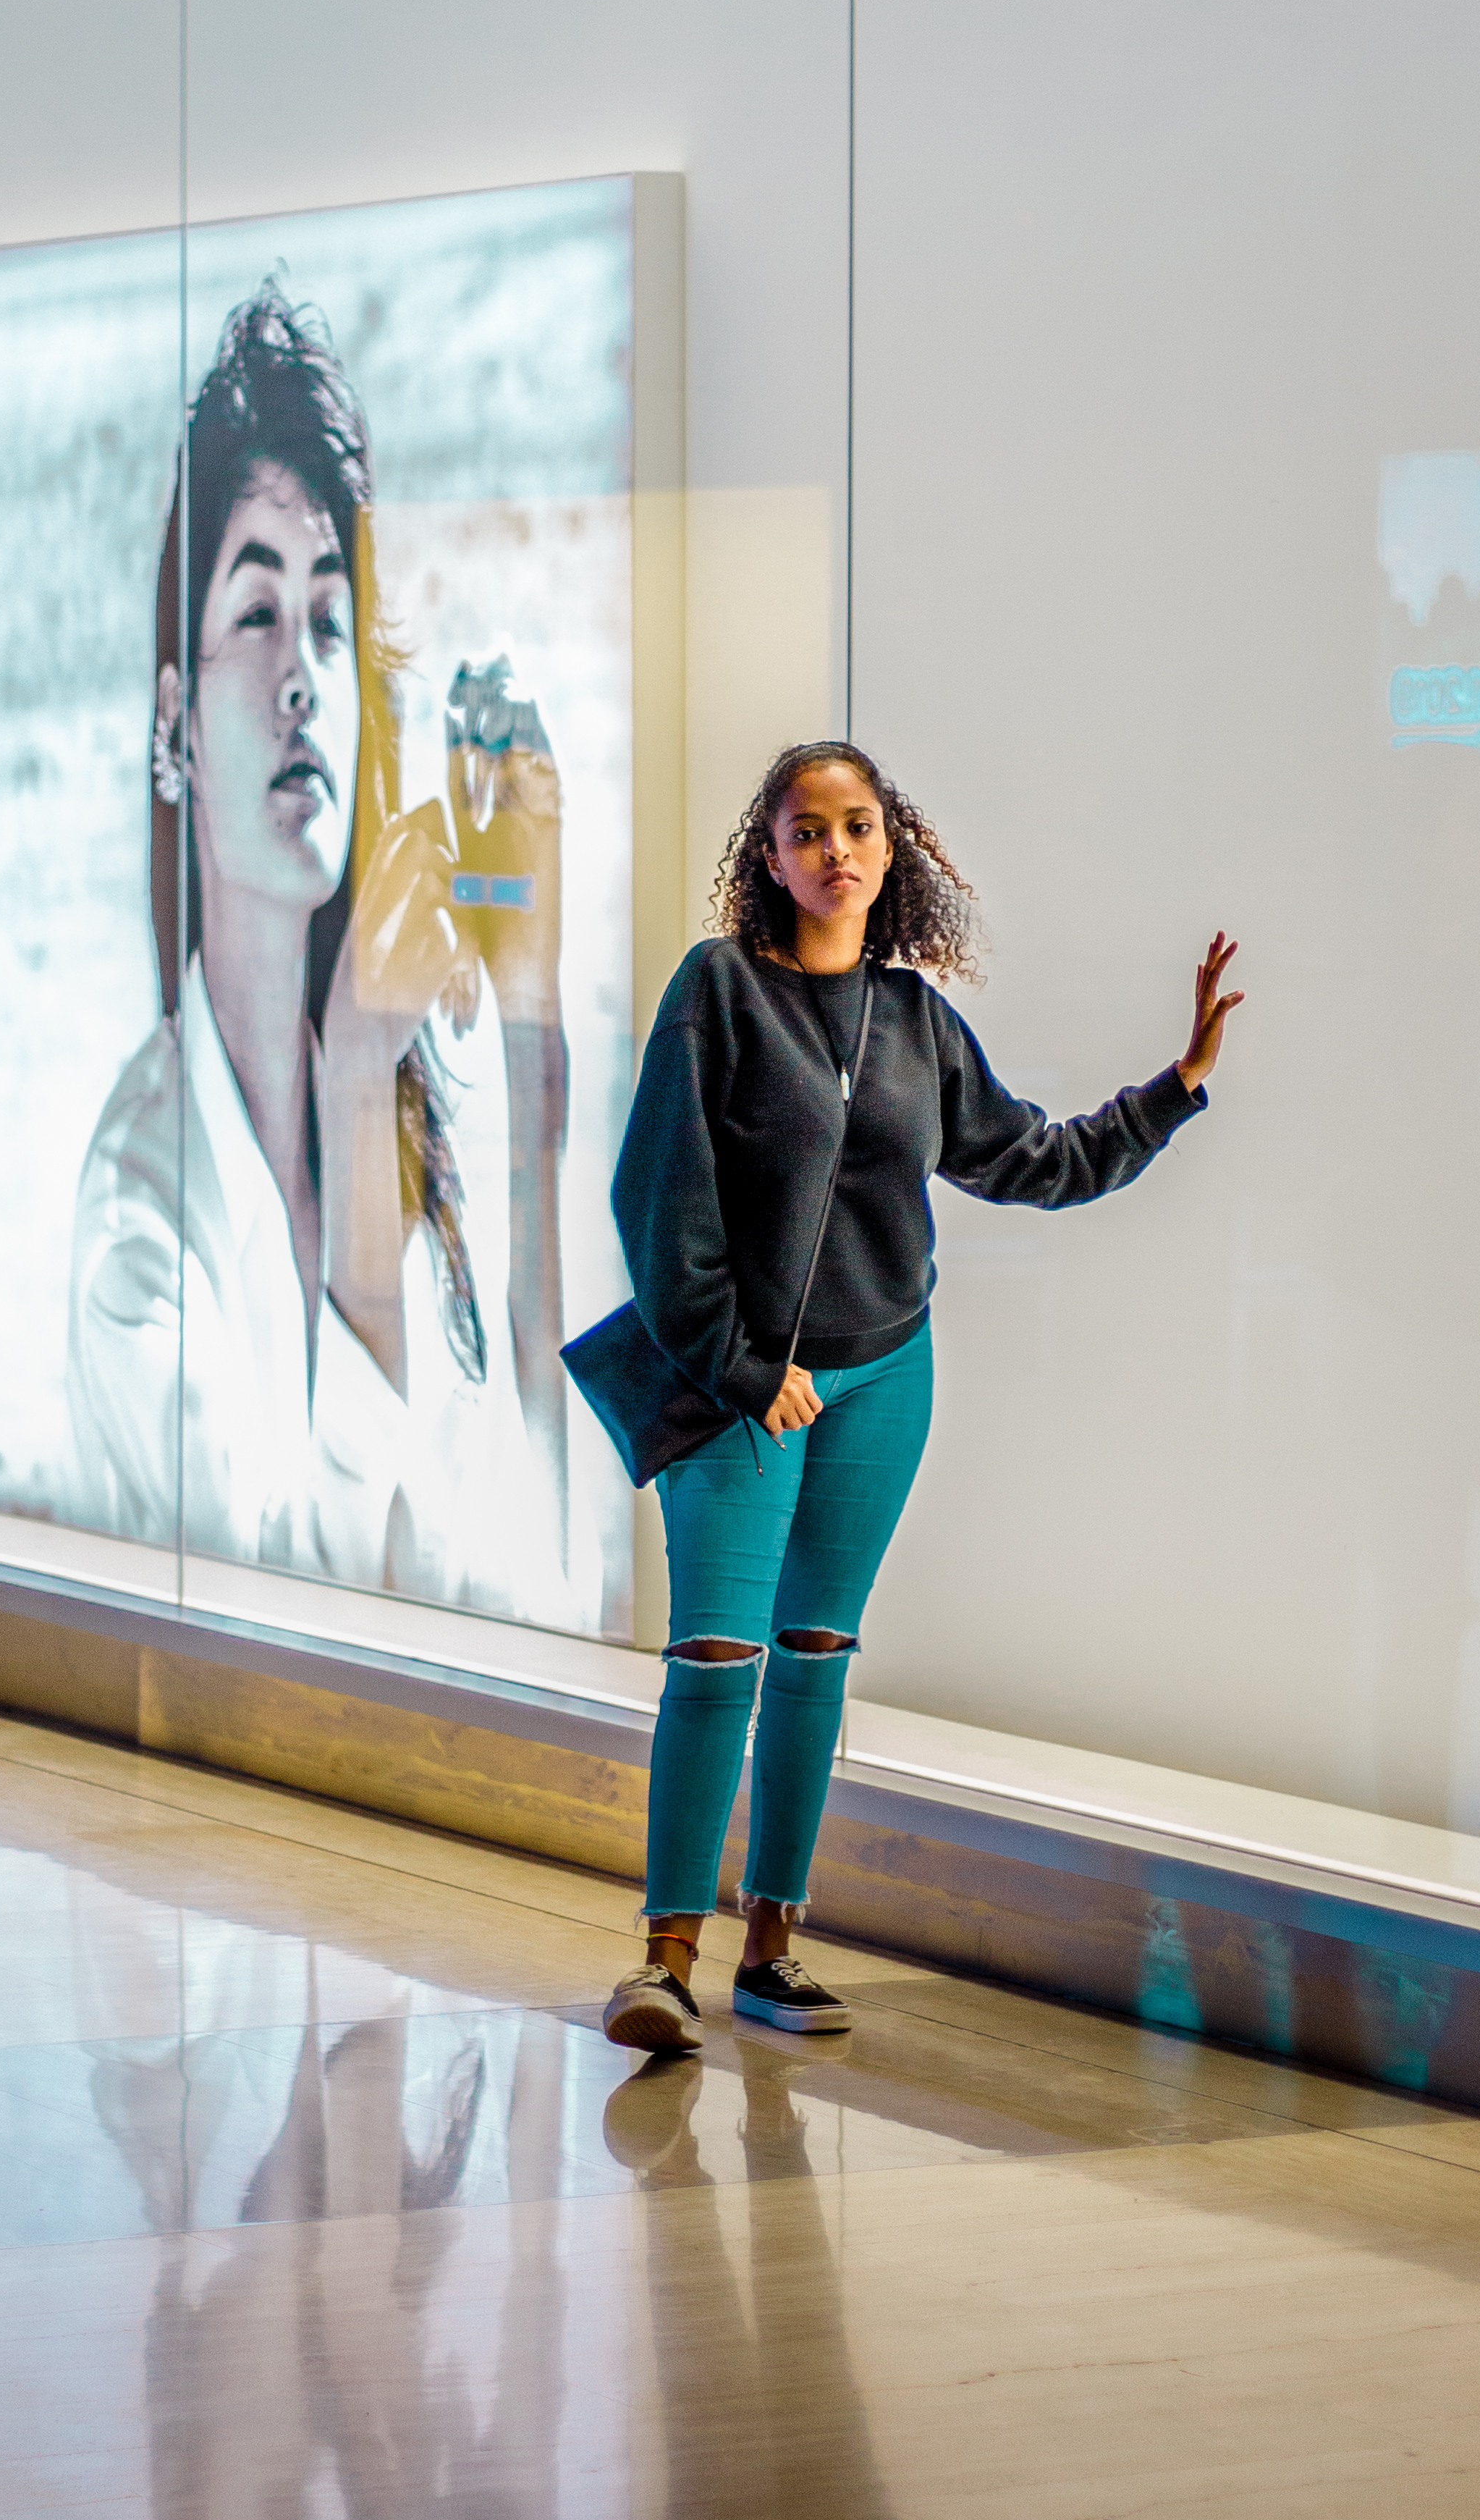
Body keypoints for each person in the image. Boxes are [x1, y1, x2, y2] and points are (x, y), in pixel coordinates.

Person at [599, 740, 1241, 2051]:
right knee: (718, 1657)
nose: (836, 850)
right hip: (740, 1390)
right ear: (766, 857)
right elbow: (657, 1203)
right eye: (807, 830)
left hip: (886, 1373)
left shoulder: (916, 1022)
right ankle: (664, 1962)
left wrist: (1176, 1089)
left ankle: (774, 1948)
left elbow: (1033, 1160)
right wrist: (741, 1365)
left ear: (892, 855)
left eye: (858, 828)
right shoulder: (717, 991)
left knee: (817, 1658)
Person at [67, 282, 570, 1613]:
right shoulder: (139, 1240)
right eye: (255, 612)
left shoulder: (402, 1092)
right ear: (174, 723)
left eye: (331, 623)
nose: (302, 672)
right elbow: (299, 1632)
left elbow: (535, 1556)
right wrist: (352, 1092)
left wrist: (529, 1016)